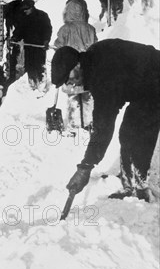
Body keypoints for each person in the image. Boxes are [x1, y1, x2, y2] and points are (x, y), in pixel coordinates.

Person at [51, 40, 160, 203]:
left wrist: (86, 166)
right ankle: (130, 184)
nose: (70, 84)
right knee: (127, 133)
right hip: (145, 87)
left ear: (77, 66)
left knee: (137, 134)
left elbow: (103, 127)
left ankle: (140, 189)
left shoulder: (101, 75)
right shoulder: (94, 58)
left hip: (154, 86)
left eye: (69, 78)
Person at [54, 0, 97, 131]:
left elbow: (58, 46)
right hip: (88, 66)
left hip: (70, 66)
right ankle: (88, 123)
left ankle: (74, 124)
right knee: (86, 95)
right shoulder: (90, 28)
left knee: (73, 96)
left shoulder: (65, 29)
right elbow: (95, 46)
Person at [11, 0, 53, 90]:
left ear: (32, 7)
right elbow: (19, 30)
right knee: (29, 66)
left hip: (40, 47)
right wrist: (14, 38)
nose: (24, 11)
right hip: (29, 46)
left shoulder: (43, 16)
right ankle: (32, 86)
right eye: (23, 9)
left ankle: (42, 86)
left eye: (26, 9)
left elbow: (48, 29)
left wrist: (46, 40)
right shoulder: (24, 18)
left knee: (39, 66)